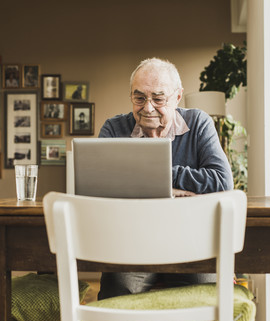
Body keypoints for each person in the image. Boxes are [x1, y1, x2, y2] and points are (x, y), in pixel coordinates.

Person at [97, 57, 234, 300]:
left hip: (193, 242)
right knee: (115, 293)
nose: (147, 107)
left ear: (177, 97)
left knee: (207, 296)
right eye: (139, 98)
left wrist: (153, 172)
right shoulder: (113, 128)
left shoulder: (199, 123)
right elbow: (100, 185)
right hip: (132, 244)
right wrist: (181, 184)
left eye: (158, 99)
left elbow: (222, 181)